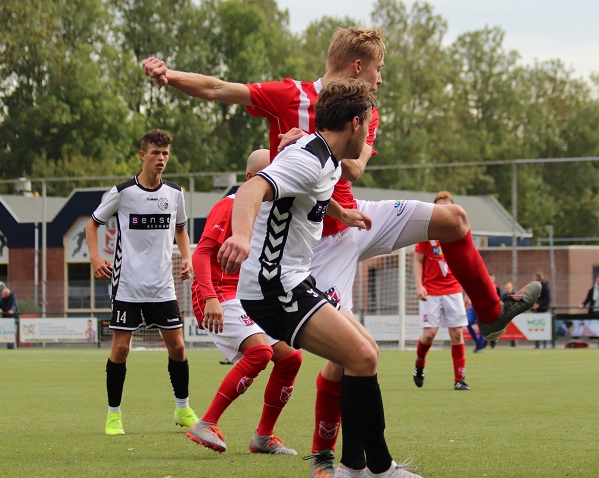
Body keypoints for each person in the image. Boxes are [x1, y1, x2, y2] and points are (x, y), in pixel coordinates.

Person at [143, 26, 540, 476]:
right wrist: (169, 76)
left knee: (453, 220)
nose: (380, 79)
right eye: (378, 69)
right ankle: (332, 458)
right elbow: (219, 92)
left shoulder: (353, 117)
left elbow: (350, 168)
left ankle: (490, 314)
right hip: (307, 255)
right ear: (357, 66)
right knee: (351, 357)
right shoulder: (299, 108)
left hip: (349, 218)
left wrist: (336, 194)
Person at [217, 79, 420, 478]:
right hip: (273, 287)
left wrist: (342, 214)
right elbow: (252, 189)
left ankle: (352, 466)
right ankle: (381, 469)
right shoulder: (311, 158)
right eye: (370, 126)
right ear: (356, 123)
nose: (370, 136)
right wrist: (240, 236)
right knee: (361, 357)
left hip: (292, 281)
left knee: (364, 351)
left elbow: (310, 195)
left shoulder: (324, 157)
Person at [185, 149, 304, 455]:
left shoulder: (271, 211)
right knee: (261, 352)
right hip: (218, 293)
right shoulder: (229, 205)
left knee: (291, 358)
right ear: (250, 178)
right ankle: (205, 423)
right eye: (267, 174)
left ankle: (263, 437)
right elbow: (202, 253)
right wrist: (210, 298)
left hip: (249, 296)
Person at [85, 128, 198, 436]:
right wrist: (95, 257)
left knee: (178, 346)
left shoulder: (175, 193)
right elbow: (92, 224)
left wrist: (187, 257)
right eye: (155, 153)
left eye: (165, 154)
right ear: (143, 155)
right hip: (128, 285)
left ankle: (183, 409)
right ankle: (113, 415)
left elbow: (181, 229)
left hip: (162, 286)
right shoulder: (122, 192)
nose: (161, 158)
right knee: (121, 348)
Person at [412, 191, 471, 391]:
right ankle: (419, 362)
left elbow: (467, 264)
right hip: (431, 289)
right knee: (429, 334)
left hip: (453, 289)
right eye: (440, 206)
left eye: (447, 206)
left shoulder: (459, 233)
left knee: (457, 333)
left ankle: (459, 379)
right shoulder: (427, 232)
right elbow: (418, 260)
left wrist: (468, 291)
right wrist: (419, 285)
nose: (444, 209)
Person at [532, 273, 551, 349]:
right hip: (536, 311)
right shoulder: (534, 288)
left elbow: (547, 299)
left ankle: (545, 345)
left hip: (543, 310)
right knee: (536, 328)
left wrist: (539, 304)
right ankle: (537, 345)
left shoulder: (545, 288)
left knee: (544, 328)